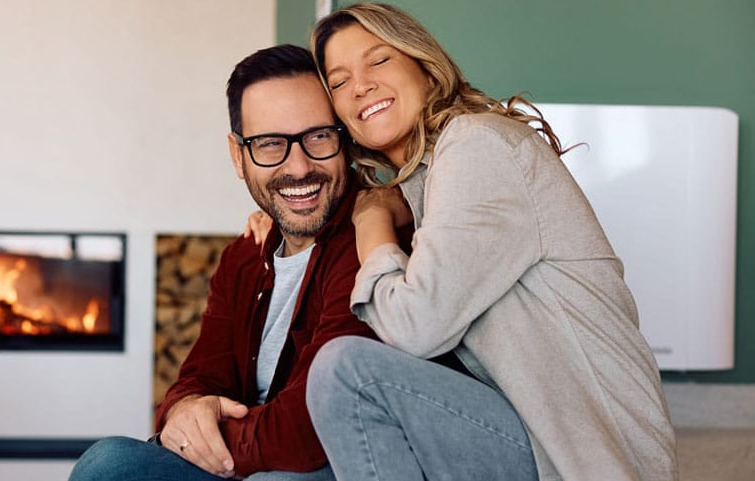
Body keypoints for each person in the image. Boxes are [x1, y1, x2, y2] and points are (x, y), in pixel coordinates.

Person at [246, 3, 678, 480]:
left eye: (379, 60)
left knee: (346, 370)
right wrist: (287, 220)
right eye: (340, 80)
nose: (361, 85)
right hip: (526, 433)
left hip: (588, 457)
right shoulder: (422, 184)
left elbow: (416, 328)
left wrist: (370, 220)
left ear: (424, 66)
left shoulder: (478, 146)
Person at [67, 44, 378, 481]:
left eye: (319, 136)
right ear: (238, 156)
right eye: (270, 144)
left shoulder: (369, 241)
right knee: (110, 463)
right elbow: (199, 376)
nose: (299, 165)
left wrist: (204, 438)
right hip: (249, 460)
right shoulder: (245, 255)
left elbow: (308, 429)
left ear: (344, 139)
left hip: (326, 467)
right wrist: (186, 411)